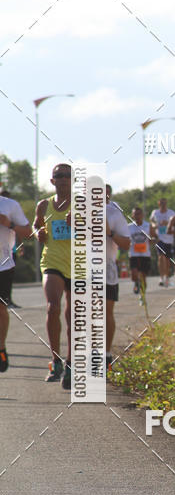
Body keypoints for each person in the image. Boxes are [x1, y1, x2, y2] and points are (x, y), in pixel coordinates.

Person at [34, 163, 73, 387]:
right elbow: (36, 226)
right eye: (59, 176)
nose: (63, 179)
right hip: (52, 261)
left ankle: (70, 363)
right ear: (52, 181)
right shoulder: (43, 205)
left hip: (78, 262)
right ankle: (55, 360)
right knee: (53, 306)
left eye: (67, 175)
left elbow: (97, 230)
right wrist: (38, 231)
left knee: (72, 315)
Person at [0, 193, 32, 372]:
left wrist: (9, 224)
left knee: (1, 309)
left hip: (3, 266)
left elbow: (28, 232)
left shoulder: (10, 205)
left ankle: (1, 347)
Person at [105, 185, 131, 371]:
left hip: (107, 270)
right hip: (80, 269)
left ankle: (105, 356)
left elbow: (126, 244)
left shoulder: (114, 214)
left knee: (105, 313)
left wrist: (110, 232)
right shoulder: (77, 211)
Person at [149, 197, 175, 286]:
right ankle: (161, 277)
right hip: (159, 238)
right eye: (161, 203)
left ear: (166, 203)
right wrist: (156, 225)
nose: (163, 205)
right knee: (160, 256)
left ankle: (167, 277)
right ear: (158, 204)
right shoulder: (155, 212)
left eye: (164, 203)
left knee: (167, 259)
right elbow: (151, 222)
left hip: (169, 238)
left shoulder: (171, 213)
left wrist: (168, 223)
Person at [128, 206, 152, 298]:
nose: (137, 216)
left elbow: (154, 237)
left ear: (142, 215)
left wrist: (152, 239)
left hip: (145, 254)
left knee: (143, 277)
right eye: (135, 214)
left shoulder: (148, 226)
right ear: (132, 216)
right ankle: (136, 282)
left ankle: (142, 295)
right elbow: (125, 238)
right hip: (133, 254)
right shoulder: (129, 227)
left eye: (139, 214)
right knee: (134, 275)